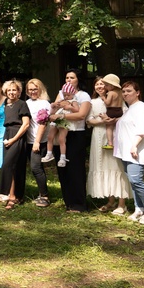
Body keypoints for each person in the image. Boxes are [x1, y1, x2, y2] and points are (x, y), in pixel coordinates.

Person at [114, 81, 144, 224]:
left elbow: (142, 130)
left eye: (129, 91)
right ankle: (139, 209)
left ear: (137, 92)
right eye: (124, 91)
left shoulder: (141, 107)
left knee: (136, 180)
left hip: (136, 151)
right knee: (133, 183)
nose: (125, 94)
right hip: (126, 152)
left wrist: (134, 146)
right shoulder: (129, 109)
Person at [87, 75, 131, 215]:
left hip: (114, 135)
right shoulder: (92, 102)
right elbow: (88, 120)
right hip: (98, 136)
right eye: (97, 84)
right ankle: (111, 201)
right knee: (103, 166)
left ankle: (122, 203)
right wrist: (103, 122)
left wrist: (111, 120)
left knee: (116, 166)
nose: (100, 87)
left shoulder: (116, 96)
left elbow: (125, 114)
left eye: (102, 84)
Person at [50, 69, 92, 213]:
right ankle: (68, 202)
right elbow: (54, 111)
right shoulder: (61, 93)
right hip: (60, 133)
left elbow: (81, 115)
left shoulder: (83, 95)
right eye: (67, 77)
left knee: (75, 169)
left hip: (75, 134)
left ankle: (79, 204)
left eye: (72, 77)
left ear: (78, 80)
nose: (68, 80)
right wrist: (51, 111)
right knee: (63, 169)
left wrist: (62, 117)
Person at [0, 80, 30, 210]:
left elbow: (26, 124)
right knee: (13, 166)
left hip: (18, 135)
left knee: (8, 165)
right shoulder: (5, 105)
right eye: (9, 90)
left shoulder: (22, 104)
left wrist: (14, 139)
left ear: (19, 92)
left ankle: (6, 194)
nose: (11, 92)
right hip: (7, 134)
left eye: (14, 90)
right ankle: (14, 196)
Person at [48, 82, 79, 168]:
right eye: (64, 95)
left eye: (68, 95)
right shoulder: (61, 101)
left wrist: (70, 107)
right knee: (50, 136)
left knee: (61, 139)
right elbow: (52, 111)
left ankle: (63, 157)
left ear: (72, 94)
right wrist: (55, 105)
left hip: (64, 120)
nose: (66, 97)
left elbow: (77, 110)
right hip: (56, 119)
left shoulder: (73, 101)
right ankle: (49, 153)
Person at [100, 74, 124, 150]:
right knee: (118, 127)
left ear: (112, 86)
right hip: (119, 110)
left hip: (111, 111)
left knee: (109, 127)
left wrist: (103, 98)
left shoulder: (111, 93)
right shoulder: (120, 92)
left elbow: (108, 103)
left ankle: (110, 143)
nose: (105, 87)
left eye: (106, 85)